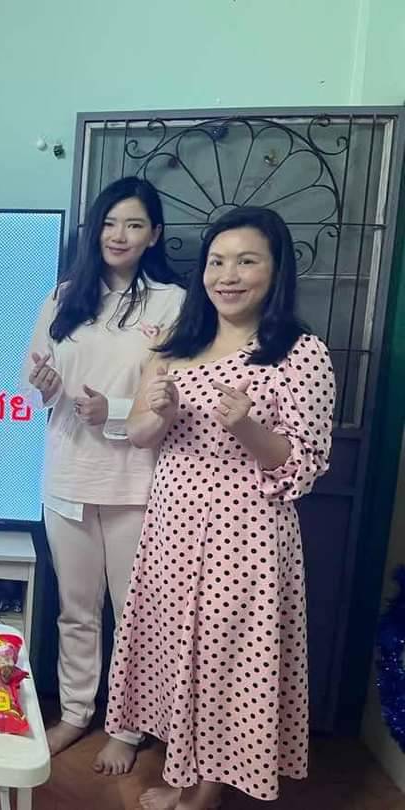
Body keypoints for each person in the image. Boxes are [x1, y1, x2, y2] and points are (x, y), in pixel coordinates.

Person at [106, 207, 335, 810]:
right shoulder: (176, 344)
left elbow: (304, 465)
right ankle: (183, 773)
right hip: (172, 532)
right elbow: (139, 435)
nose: (227, 276)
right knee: (175, 655)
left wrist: (248, 428)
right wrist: (158, 412)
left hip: (246, 540)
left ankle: (205, 790)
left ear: (275, 271)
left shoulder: (299, 352)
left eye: (246, 261)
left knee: (225, 665)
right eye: (217, 262)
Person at [21, 176, 185, 774]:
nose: (119, 235)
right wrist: (45, 386)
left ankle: (127, 727)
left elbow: (173, 392)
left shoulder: (172, 303)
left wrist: (111, 410)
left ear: (154, 235)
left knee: (135, 614)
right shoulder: (65, 296)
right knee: (76, 609)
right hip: (67, 474)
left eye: (134, 224)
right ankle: (74, 713)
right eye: (110, 223)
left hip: (136, 482)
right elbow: (32, 379)